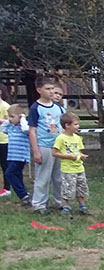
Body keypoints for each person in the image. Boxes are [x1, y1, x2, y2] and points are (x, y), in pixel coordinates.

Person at [26, 76, 66, 216]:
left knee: (59, 177)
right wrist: (36, 150)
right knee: (43, 177)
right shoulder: (35, 108)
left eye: (52, 89)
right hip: (44, 146)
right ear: (39, 90)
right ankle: (39, 204)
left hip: (58, 147)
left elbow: (63, 126)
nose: (51, 92)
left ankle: (60, 202)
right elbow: (32, 130)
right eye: (47, 89)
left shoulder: (59, 108)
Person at [51, 113, 88, 216]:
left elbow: (78, 151)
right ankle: (66, 207)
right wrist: (68, 156)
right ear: (67, 125)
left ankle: (82, 206)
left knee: (81, 188)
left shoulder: (78, 138)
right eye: (75, 124)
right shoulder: (61, 138)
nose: (78, 126)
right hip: (68, 169)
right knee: (67, 189)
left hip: (79, 168)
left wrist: (82, 155)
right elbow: (54, 153)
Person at [1, 104, 31, 205]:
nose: (10, 119)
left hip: (20, 156)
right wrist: (8, 121)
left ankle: (23, 194)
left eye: (12, 116)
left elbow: (26, 129)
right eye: (9, 116)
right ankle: (25, 195)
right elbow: (2, 129)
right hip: (11, 156)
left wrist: (23, 119)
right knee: (17, 175)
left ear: (20, 116)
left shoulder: (23, 127)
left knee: (9, 173)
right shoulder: (11, 127)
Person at [0, 84, 10, 197]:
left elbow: (10, 121)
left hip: (3, 140)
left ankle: (7, 188)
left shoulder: (5, 106)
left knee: (5, 165)